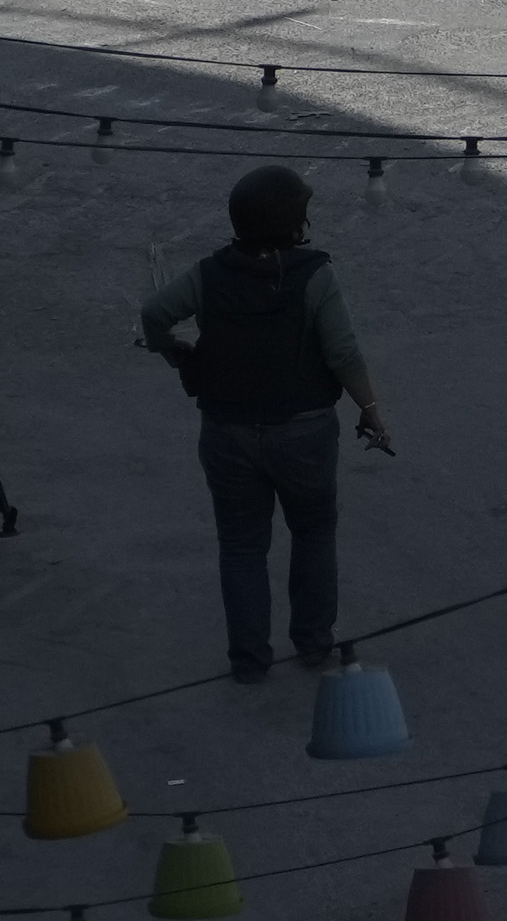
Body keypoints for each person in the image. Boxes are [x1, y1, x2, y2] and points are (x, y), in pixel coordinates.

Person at [138, 164, 392, 683]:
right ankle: (315, 645)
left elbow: (155, 313)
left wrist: (174, 354)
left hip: (227, 432)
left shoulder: (209, 275)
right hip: (304, 432)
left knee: (241, 545)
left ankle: (250, 662)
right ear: (292, 224)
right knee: (314, 533)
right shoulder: (313, 275)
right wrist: (371, 411)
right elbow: (342, 353)